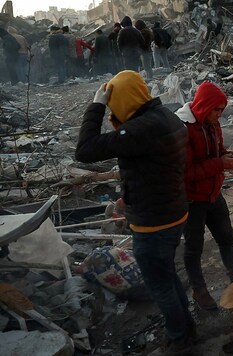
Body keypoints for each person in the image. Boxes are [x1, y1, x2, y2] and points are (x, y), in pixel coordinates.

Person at [75, 70, 194, 354]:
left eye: (114, 103)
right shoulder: (166, 116)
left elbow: (85, 150)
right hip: (174, 211)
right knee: (168, 275)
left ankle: (180, 338)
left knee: (159, 284)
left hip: (154, 223)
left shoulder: (140, 130)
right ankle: (187, 325)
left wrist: (96, 105)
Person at [175, 82, 233, 310]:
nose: (219, 115)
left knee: (226, 238)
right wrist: (219, 164)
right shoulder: (183, 129)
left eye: (222, 110)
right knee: (194, 247)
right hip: (193, 200)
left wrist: (227, 157)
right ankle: (199, 291)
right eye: (216, 110)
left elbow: (217, 151)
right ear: (204, 107)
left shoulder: (213, 125)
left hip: (214, 194)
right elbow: (187, 172)